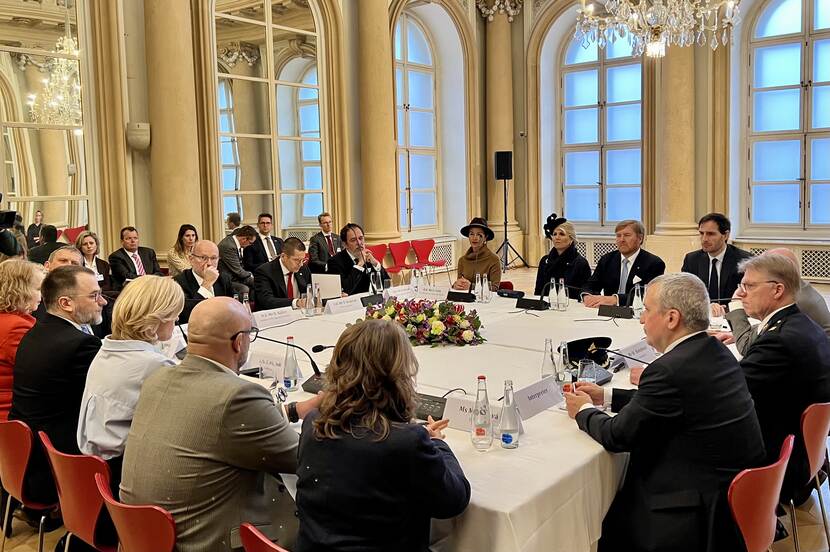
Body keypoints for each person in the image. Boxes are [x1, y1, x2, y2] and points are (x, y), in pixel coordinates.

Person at [565, 273, 765, 552]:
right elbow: (672, 402)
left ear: (672, 318)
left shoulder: (669, 370)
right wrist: (607, 396)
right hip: (734, 497)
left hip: (694, 513)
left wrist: (583, 409)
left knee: (600, 516)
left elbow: (617, 436)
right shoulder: (713, 350)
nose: (642, 319)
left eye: (647, 310)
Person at [120, 297, 322, 552]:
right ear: (239, 342)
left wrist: (293, 410)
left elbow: (208, 424)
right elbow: (303, 458)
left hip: (145, 536)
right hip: (206, 540)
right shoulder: (237, 396)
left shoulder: (158, 378)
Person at [295, 319, 470, 552]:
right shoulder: (407, 442)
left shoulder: (314, 422)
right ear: (397, 373)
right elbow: (454, 500)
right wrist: (437, 443)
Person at [734, 254, 830, 504]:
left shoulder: (779, 339)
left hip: (778, 462)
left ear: (778, 290)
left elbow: (729, 393)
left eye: (749, 286)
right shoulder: (801, 323)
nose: (740, 293)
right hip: (804, 452)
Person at [77, 275, 184, 492]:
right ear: (157, 318)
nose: (177, 321)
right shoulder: (154, 365)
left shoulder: (107, 348)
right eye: (174, 316)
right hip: (125, 475)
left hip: (95, 468)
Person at [9, 265, 106, 505]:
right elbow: (103, 400)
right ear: (66, 303)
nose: (103, 301)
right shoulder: (79, 344)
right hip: (55, 464)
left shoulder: (36, 331)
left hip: (26, 455)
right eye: (94, 295)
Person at [724, 248, 830, 354]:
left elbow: (746, 347)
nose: (743, 292)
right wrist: (745, 334)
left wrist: (735, 304)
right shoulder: (800, 290)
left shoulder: (799, 300)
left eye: (750, 286)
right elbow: (768, 327)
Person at [581, 220, 665, 307]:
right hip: (607, 312)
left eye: (627, 235)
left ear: (640, 238)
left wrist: (615, 299)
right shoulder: (607, 259)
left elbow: (649, 295)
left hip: (636, 312)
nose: (622, 240)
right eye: (618, 236)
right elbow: (591, 284)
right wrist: (587, 295)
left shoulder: (654, 263)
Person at [681, 213, 752, 316]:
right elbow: (685, 294)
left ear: (725, 235)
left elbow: (749, 297)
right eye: (701, 233)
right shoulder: (692, 259)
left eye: (710, 234)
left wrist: (724, 310)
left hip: (733, 316)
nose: (704, 239)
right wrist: (706, 307)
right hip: (702, 316)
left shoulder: (744, 260)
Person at [0, 260, 44, 421]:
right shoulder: (16, 328)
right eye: (38, 289)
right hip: (12, 420)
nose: (41, 295)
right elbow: (40, 375)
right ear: (20, 290)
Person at [172, 240, 234, 324]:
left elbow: (231, 309)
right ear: (191, 259)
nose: (209, 263)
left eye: (213, 258)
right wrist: (206, 284)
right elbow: (186, 316)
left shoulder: (224, 278)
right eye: (203, 258)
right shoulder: (178, 282)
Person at [533, 214, 590, 298]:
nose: (557, 237)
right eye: (554, 234)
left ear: (571, 238)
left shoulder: (580, 263)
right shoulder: (545, 261)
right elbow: (539, 290)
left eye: (562, 234)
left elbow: (585, 292)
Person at [327, 223, 390, 295]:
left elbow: (386, 282)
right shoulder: (335, 262)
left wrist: (375, 263)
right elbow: (346, 290)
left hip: (368, 301)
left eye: (361, 238)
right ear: (345, 244)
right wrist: (360, 264)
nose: (359, 243)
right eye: (353, 240)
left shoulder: (367, 257)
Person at [253, 237, 312, 311]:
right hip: (274, 317)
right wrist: (296, 302)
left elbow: (309, 293)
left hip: (300, 315)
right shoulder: (264, 271)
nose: (300, 264)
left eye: (303, 260)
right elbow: (267, 301)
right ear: (283, 256)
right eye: (296, 260)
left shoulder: (303, 269)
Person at [451, 217, 501, 292]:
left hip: (485, 301)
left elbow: (494, 288)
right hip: (466, 300)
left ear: (485, 237)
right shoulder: (462, 260)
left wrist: (471, 286)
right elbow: (461, 284)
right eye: (471, 234)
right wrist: (455, 285)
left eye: (479, 235)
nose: (474, 238)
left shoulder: (494, 260)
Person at [218, 224, 258, 290]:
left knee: (261, 283)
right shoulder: (228, 246)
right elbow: (238, 271)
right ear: (244, 239)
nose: (250, 245)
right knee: (246, 288)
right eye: (250, 243)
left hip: (236, 276)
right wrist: (250, 274)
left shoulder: (233, 242)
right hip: (228, 279)